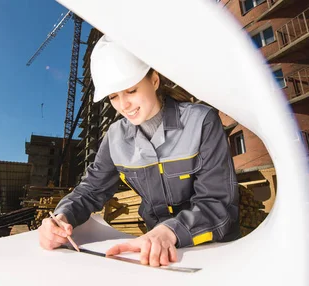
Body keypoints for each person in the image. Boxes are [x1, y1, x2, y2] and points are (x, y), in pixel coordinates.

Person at [38, 35, 239, 267]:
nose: (124, 105)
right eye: (114, 96)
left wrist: (168, 232)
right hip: (155, 255)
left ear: (154, 80)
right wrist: (61, 217)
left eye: (131, 91)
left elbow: (219, 204)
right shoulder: (115, 137)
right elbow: (90, 191)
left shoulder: (201, 122)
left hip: (215, 251)